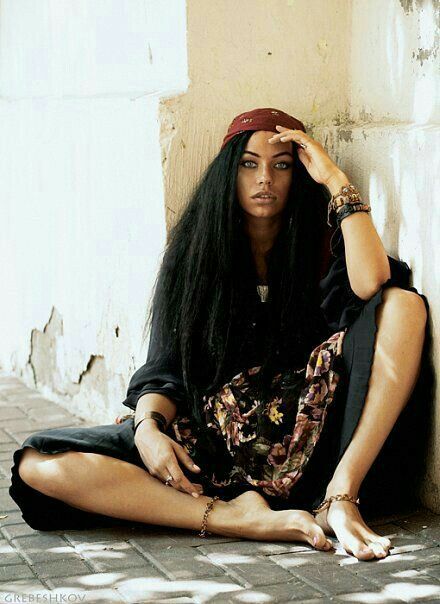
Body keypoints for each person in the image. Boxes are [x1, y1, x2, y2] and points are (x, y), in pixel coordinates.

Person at [9, 108, 429, 562]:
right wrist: (148, 428)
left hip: (315, 448)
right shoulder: (196, 252)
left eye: (282, 165)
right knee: (39, 465)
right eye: (249, 163)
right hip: (216, 445)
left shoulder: (322, 243)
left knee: (404, 304)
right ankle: (237, 518)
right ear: (229, 171)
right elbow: (166, 367)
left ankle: (340, 501)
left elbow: (372, 283)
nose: (264, 178)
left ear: (300, 173)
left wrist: (333, 178)